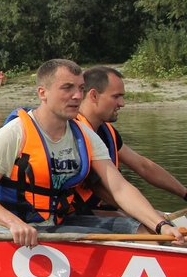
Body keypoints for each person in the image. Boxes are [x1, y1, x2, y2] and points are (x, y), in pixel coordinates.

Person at [0, 59, 184, 247]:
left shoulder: (84, 135)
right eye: (67, 88)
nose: (77, 96)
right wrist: (12, 223)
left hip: (59, 223)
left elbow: (119, 188)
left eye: (81, 88)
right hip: (19, 232)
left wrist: (161, 225)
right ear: (43, 93)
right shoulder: (14, 134)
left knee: (148, 232)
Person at [75, 66, 187, 210]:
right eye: (116, 96)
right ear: (94, 96)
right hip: (73, 215)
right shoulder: (74, 134)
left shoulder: (106, 132)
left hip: (94, 210)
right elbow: (99, 188)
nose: (122, 103)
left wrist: (185, 193)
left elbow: (143, 166)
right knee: (145, 222)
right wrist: (151, 216)